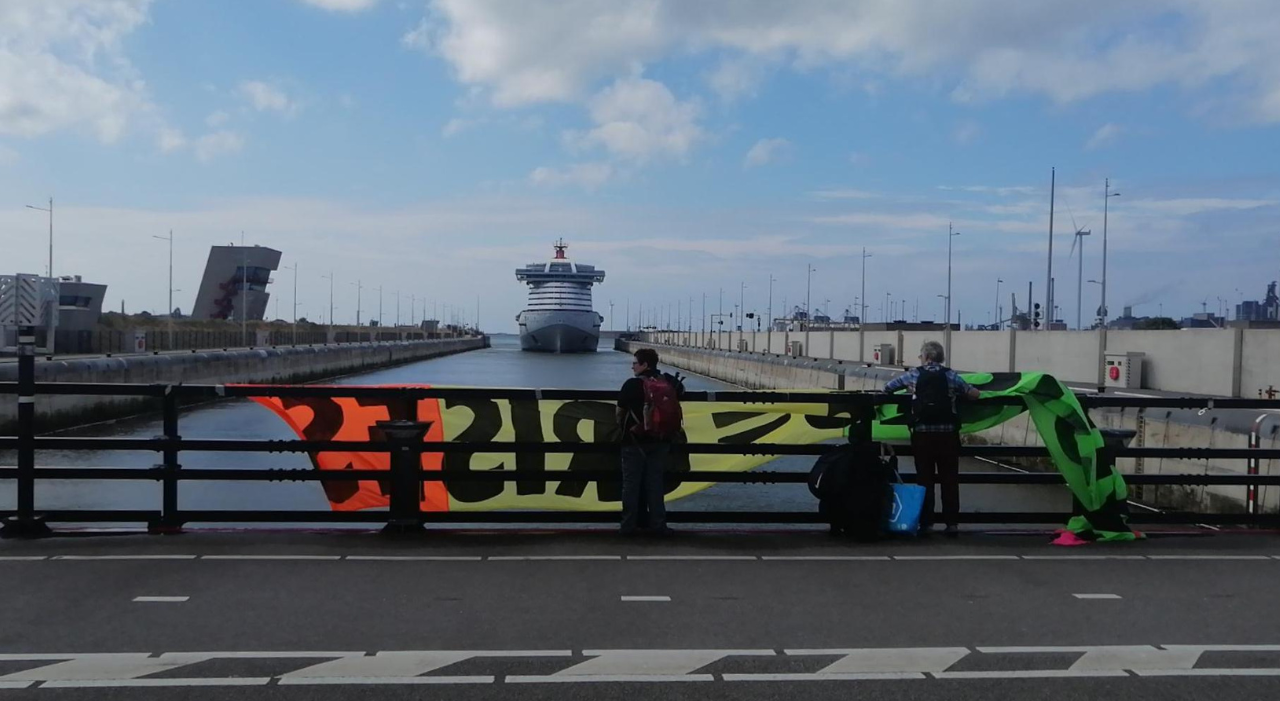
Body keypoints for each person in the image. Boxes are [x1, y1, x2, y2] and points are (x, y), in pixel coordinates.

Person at [884, 340, 981, 537]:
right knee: (950, 480)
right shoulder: (951, 375)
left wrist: (911, 394)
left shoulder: (914, 374)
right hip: (947, 436)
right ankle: (952, 524)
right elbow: (974, 394)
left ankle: (926, 524)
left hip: (922, 435)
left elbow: (888, 387)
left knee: (924, 480)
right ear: (940, 357)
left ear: (926, 357)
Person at [616, 347, 681, 536]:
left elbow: (619, 413)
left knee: (631, 485)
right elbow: (681, 393)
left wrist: (624, 429)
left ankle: (628, 526)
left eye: (635, 363)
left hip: (633, 441)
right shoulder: (667, 381)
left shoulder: (631, 385)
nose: (632, 367)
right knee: (655, 484)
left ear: (644, 365)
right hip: (660, 440)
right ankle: (658, 526)